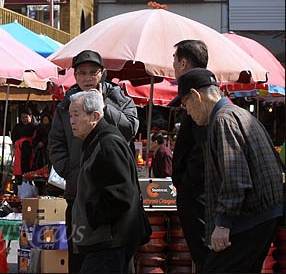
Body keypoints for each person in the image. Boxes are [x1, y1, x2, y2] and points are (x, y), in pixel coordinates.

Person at [169, 68, 284, 273]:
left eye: (185, 104)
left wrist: (223, 224)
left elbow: (235, 176)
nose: (186, 111)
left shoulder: (222, 120)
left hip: (250, 218)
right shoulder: (238, 113)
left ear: (196, 95)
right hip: (264, 215)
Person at [48, 49, 139, 273]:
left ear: (103, 73)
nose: (88, 78)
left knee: (116, 259)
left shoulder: (118, 97)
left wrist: (104, 108)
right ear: (75, 75)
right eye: (82, 73)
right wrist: (70, 171)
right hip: (78, 193)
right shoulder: (66, 104)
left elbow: (131, 129)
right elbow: (55, 143)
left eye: (93, 72)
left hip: (113, 197)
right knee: (79, 259)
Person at [69, 91, 150, 274]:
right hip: (106, 240)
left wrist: (93, 216)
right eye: (70, 115)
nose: (72, 121)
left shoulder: (107, 144)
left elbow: (120, 195)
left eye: (76, 115)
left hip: (109, 241)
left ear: (95, 116)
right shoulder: (96, 141)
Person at [171, 39, 211, 271]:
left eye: (175, 60)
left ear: (183, 62)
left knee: (206, 257)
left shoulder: (201, 98)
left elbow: (201, 149)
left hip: (198, 195)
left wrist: (186, 182)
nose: (173, 65)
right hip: (196, 192)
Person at [11, 107, 39, 186]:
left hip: (33, 153)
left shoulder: (36, 126)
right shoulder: (17, 127)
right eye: (22, 118)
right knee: (19, 174)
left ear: (30, 116)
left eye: (26, 117)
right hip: (19, 152)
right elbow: (13, 137)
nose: (24, 120)